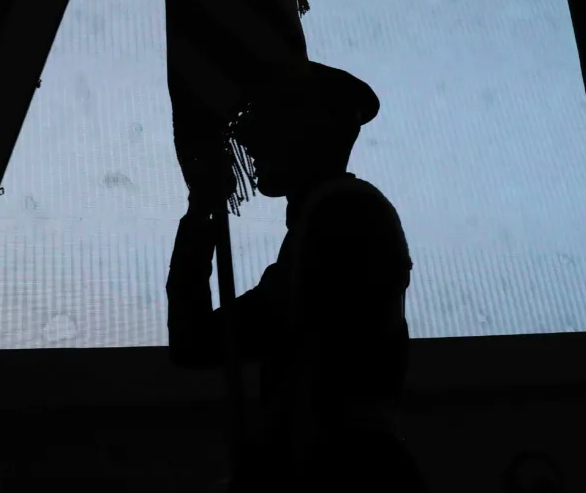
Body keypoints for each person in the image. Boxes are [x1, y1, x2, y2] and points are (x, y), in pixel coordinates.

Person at [165, 61, 426, 492]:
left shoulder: (343, 215)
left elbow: (199, 342)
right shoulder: (329, 218)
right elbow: (195, 343)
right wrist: (201, 214)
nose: (247, 140)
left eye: (269, 122)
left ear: (309, 135)